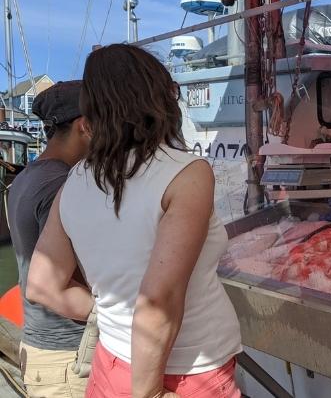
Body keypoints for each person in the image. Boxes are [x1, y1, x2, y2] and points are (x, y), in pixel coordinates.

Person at [26, 44, 242, 398]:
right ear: (159, 100)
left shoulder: (75, 181)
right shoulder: (188, 173)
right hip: (184, 374)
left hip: (110, 364)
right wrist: (150, 392)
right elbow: (158, 299)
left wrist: (112, 316)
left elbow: (41, 285)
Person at [7, 81, 92, 398]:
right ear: (85, 126)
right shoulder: (62, 183)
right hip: (69, 356)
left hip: (42, 346)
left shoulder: (27, 176)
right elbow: (79, 272)